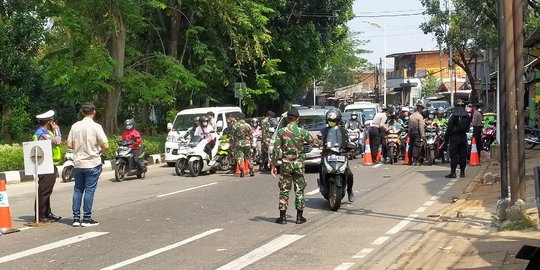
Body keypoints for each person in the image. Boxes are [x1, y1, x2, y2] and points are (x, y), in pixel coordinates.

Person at [271, 108, 316, 224]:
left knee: (284, 189)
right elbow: (313, 142)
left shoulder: (281, 132)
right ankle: (299, 217)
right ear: (298, 120)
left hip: (286, 165)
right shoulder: (302, 131)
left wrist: (273, 165)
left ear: (287, 119)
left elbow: (276, 151)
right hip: (299, 165)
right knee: (299, 189)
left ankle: (283, 217)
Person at [67, 103, 109, 227]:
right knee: (89, 191)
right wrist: (100, 151)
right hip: (92, 163)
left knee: (78, 190)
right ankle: (86, 219)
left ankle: (75, 219)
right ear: (94, 112)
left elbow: (69, 145)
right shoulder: (96, 126)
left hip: (79, 163)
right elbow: (106, 145)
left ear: (82, 112)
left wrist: (79, 148)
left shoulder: (75, 126)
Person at [33, 110, 62, 222]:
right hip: (45, 166)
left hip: (49, 164)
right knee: (44, 191)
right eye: (52, 121)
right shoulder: (42, 133)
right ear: (49, 122)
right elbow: (57, 142)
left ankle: (47, 212)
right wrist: (57, 130)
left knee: (47, 190)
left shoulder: (46, 132)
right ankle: (40, 215)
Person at [319, 109, 355, 202]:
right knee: (321, 167)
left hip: (340, 154)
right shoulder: (323, 131)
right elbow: (318, 139)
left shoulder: (343, 131)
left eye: (334, 121)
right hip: (327, 153)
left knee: (349, 174)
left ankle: (350, 191)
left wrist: (350, 147)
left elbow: (348, 141)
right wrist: (318, 143)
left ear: (338, 121)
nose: (332, 122)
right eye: (330, 120)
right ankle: (322, 184)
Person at [442, 99, 471, 178]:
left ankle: (453, 173)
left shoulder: (454, 115)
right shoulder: (467, 115)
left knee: (454, 155)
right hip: (463, 137)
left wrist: (446, 139)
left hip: (454, 137)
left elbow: (449, 128)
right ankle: (462, 172)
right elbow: (468, 125)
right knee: (463, 155)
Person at [408, 101, 426, 165]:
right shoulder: (420, 117)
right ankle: (414, 160)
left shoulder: (411, 116)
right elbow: (421, 127)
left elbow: (409, 126)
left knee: (411, 146)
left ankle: (410, 159)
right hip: (417, 132)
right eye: (422, 108)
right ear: (420, 108)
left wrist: (409, 134)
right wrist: (423, 135)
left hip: (411, 132)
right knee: (416, 146)